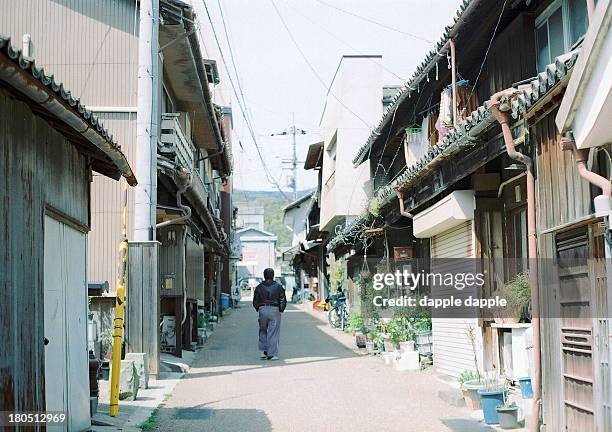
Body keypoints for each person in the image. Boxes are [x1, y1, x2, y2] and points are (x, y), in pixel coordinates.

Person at [252, 268, 287, 360]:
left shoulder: (259, 287)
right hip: (274, 310)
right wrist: (281, 309)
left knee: (262, 330)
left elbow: (255, 300)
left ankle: (263, 352)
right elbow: (282, 299)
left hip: (262, 309)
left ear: (264, 275)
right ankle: (271, 354)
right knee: (273, 332)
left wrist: (258, 308)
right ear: (273, 275)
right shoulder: (278, 287)